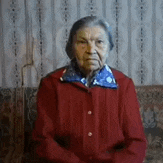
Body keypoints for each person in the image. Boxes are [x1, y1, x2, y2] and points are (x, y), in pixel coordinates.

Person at [32, 16, 147, 163]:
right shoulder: (51, 84)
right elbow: (42, 140)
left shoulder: (123, 85)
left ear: (109, 47)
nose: (91, 50)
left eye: (99, 42)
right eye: (82, 42)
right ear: (71, 48)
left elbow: (136, 143)